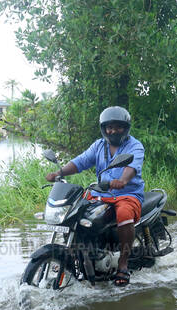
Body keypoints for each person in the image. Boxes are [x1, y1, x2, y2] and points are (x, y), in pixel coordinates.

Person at [45, 106, 145, 286]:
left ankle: (122, 263)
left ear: (125, 127)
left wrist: (122, 180)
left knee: (123, 213)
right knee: (75, 212)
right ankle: (72, 255)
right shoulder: (99, 145)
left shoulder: (134, 145)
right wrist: (60, 172)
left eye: (118, 127)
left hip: (127, 194)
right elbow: (80, 162)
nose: (113, 130)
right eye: (109, 127)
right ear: (104, 128)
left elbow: (132, 167)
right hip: (100, 193)